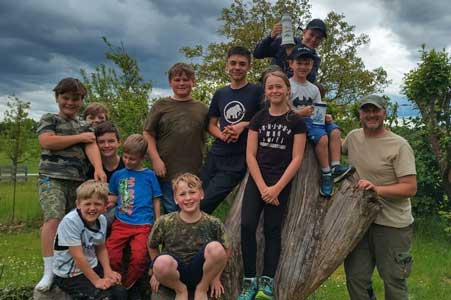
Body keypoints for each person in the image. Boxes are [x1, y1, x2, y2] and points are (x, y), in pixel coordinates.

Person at [238, 70, 306, 300]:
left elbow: (297, 158)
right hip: (257, 182)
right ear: (266, 92)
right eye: (270, 87)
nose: (275, 91)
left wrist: (275, 189)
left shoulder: (295, 121)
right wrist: (262, 187)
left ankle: (267, 281)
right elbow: (250, 155)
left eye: (279, 87)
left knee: (272, 229)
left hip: (281, 184)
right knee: (247, 225)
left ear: (288, 90)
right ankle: (249, 281)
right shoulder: (258, 118)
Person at [342, 95, 417, 300]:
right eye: (366, 111)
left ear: (384, 112)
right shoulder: (353, 137)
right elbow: (332, 149)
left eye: (376, 110)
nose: (371, 115)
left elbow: (410, 188)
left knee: (393, 280)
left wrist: (376, 189)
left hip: (392, 224)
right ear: (360, 114)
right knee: (356, 278)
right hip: (359, 221)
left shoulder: (399, 145)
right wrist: (326, 127)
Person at [35, 78, 106, 291]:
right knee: (53, 219)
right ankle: (48, 270)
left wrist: (98, 168)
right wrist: (79, 137)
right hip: (52, 178)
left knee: (73, 225)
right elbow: (47, 141)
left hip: (78, 181)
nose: (70, 103)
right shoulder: (50, 119)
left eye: (75, 99)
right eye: (65, 98)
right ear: (57, 98)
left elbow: (92, 146)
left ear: (81, 100)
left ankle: (70, 266)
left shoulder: (84, 125)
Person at [200, 46, 264, 214]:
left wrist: (243, 125)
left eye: (242, 64)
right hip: (216, 154)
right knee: (193, 198)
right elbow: (211, 124)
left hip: (238, 159)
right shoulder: (221, 93)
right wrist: (222, 135)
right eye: (233, 63)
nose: (237, 67)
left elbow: (266, 121)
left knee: (205, 203)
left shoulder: (257, 91)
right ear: (227, 65)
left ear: (249, 67)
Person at [148, 173, 230, 300]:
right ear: (175, 199)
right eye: (182, 194)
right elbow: (152, 246)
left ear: (201, 194)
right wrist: (156, 273)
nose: (188, 198)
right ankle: (181, 290)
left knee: (216, 248)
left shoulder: (213, 223)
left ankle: (201, 289)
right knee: (160, 262)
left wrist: (216, 277)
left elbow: (227, 249)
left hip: (202, 271)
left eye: (192, 192)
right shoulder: (165, 222)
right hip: (175, 271)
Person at [288, 46, 353, 197]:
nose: (303, 67)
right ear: (291, 64)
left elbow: (318, 108)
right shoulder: (288, 86)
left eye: (307, 63)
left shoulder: (313, 89)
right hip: (298, 120)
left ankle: (336, 166)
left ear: (311, 66)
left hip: (314, 119)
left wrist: (325, 116)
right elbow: (283, 111)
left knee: (335, 131)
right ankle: (326, 173)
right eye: (300, 63)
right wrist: (300, 113)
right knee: (322, 138)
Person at [144, 62, 208, 213]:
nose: (181, 83)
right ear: (170, 82)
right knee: (171, 212)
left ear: (193, 81)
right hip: (166, 173)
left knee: (191, 212)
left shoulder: (202, 108)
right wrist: (155, 159)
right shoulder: (161, 106)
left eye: (186, 79)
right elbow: (147, 133)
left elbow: (213, 129)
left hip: (194, 174)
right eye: (177, 80)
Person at [53, 180, 127, 300]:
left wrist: (108, 271)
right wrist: (97, 281)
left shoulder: (102, 220)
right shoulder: (71, 221)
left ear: (105, 205)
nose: (92, 208)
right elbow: (78, 257)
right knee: (102, 297)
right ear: (78, 204)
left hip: (92, 265)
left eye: (97, 204)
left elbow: (101, 248)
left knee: (120, 292)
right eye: (87, 204)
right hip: (70, 274)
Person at [106, 134, 161, 293]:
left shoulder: (149, 175)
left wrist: (157, 220)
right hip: (121, 222)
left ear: (142, 158)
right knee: (112, 254)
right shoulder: (118, 175)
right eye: (125, 157)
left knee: (139, 257)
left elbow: (156, 198)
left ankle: (128, 285)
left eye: (133, 159)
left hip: (143, 224)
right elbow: (113, 197)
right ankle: (116, 280)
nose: (128, 161)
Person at [253, 18, 327, 81]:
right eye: (311, 34)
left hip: (294, 93)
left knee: (319, 88)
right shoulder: (285, 41)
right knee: (273, 69)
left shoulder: (315, 58)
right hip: (272, 89)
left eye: (318, 38)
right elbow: (257, 54)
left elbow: (309, 80)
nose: (314, 39)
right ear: (304, 32)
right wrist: (270, 37)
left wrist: (291, 55)